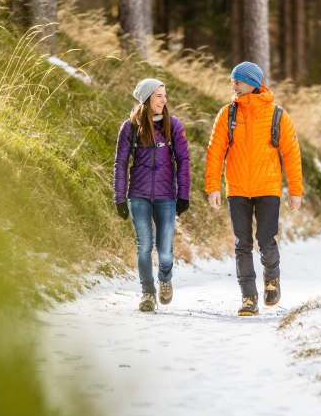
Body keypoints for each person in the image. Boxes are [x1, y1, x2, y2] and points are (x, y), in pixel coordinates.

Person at [204, 62, 303, 316]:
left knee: (266, 240)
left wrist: (295, 190)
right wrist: (213, 187)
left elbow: (291, 154)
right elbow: (215, 152)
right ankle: (248, 297)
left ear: (252, 83)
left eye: (237, 81)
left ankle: (272, 279)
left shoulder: (278, 115)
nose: (233, 86)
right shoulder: (227, 114)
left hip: (268, 187)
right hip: (236, 189)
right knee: (242, 244)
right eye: (232, 82)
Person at [113, 78, 191, 312]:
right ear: (147, 99)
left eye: (164, 96)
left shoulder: (173, 125)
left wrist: (183, 194)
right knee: (144, 245)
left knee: (165, 249)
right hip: (139, 195)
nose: (164, 100)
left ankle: (165, 278)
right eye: (159, 96)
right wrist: (119, 197)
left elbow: (183, 161)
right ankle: (148, 293)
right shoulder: (130, 127)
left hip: (167, 196)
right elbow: (120, 162)